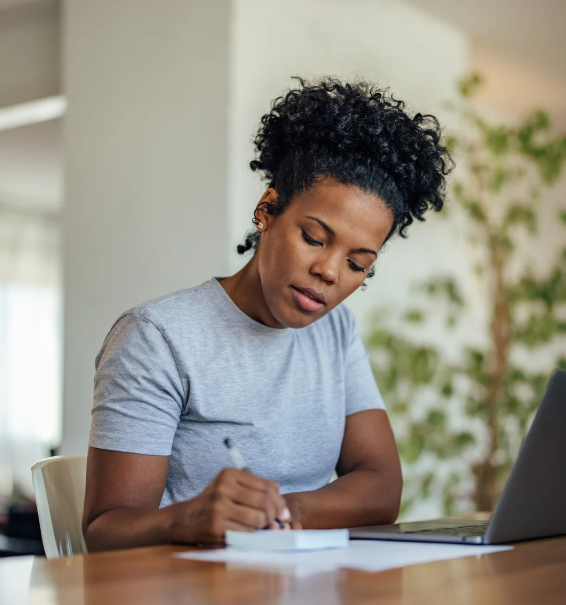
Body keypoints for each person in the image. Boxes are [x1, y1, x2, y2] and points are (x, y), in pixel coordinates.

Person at [82, 77, 452, 552]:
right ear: (268, 210)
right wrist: (185, 520)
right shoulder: (158, 337)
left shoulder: (334, 330)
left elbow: (382, 486)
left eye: (359, 264)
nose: (329, 271)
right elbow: (103, 531)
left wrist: (282, 514)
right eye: (315, 238)